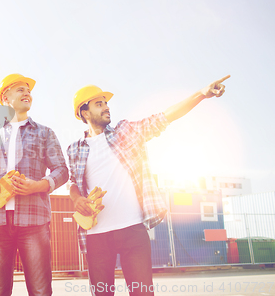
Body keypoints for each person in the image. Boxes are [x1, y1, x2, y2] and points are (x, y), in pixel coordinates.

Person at [68, 76, 230, 296]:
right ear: (84, 112)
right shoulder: (75, 149)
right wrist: (77, 199)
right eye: (99, 104)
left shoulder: (125, 132)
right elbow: (73, 183)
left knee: (142, 293)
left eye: (106, 103)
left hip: (132, 229)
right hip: (97, 235)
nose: (107, 107)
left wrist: (201, 93)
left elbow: (164, 117)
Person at [0, 73, 69, 296]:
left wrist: (40, 185)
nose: (27, 93)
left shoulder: (45, 133)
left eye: (29, 91)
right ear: (5, 98)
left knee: (40, 291)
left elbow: (62, 170)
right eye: (20, 90)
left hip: (33, 222)